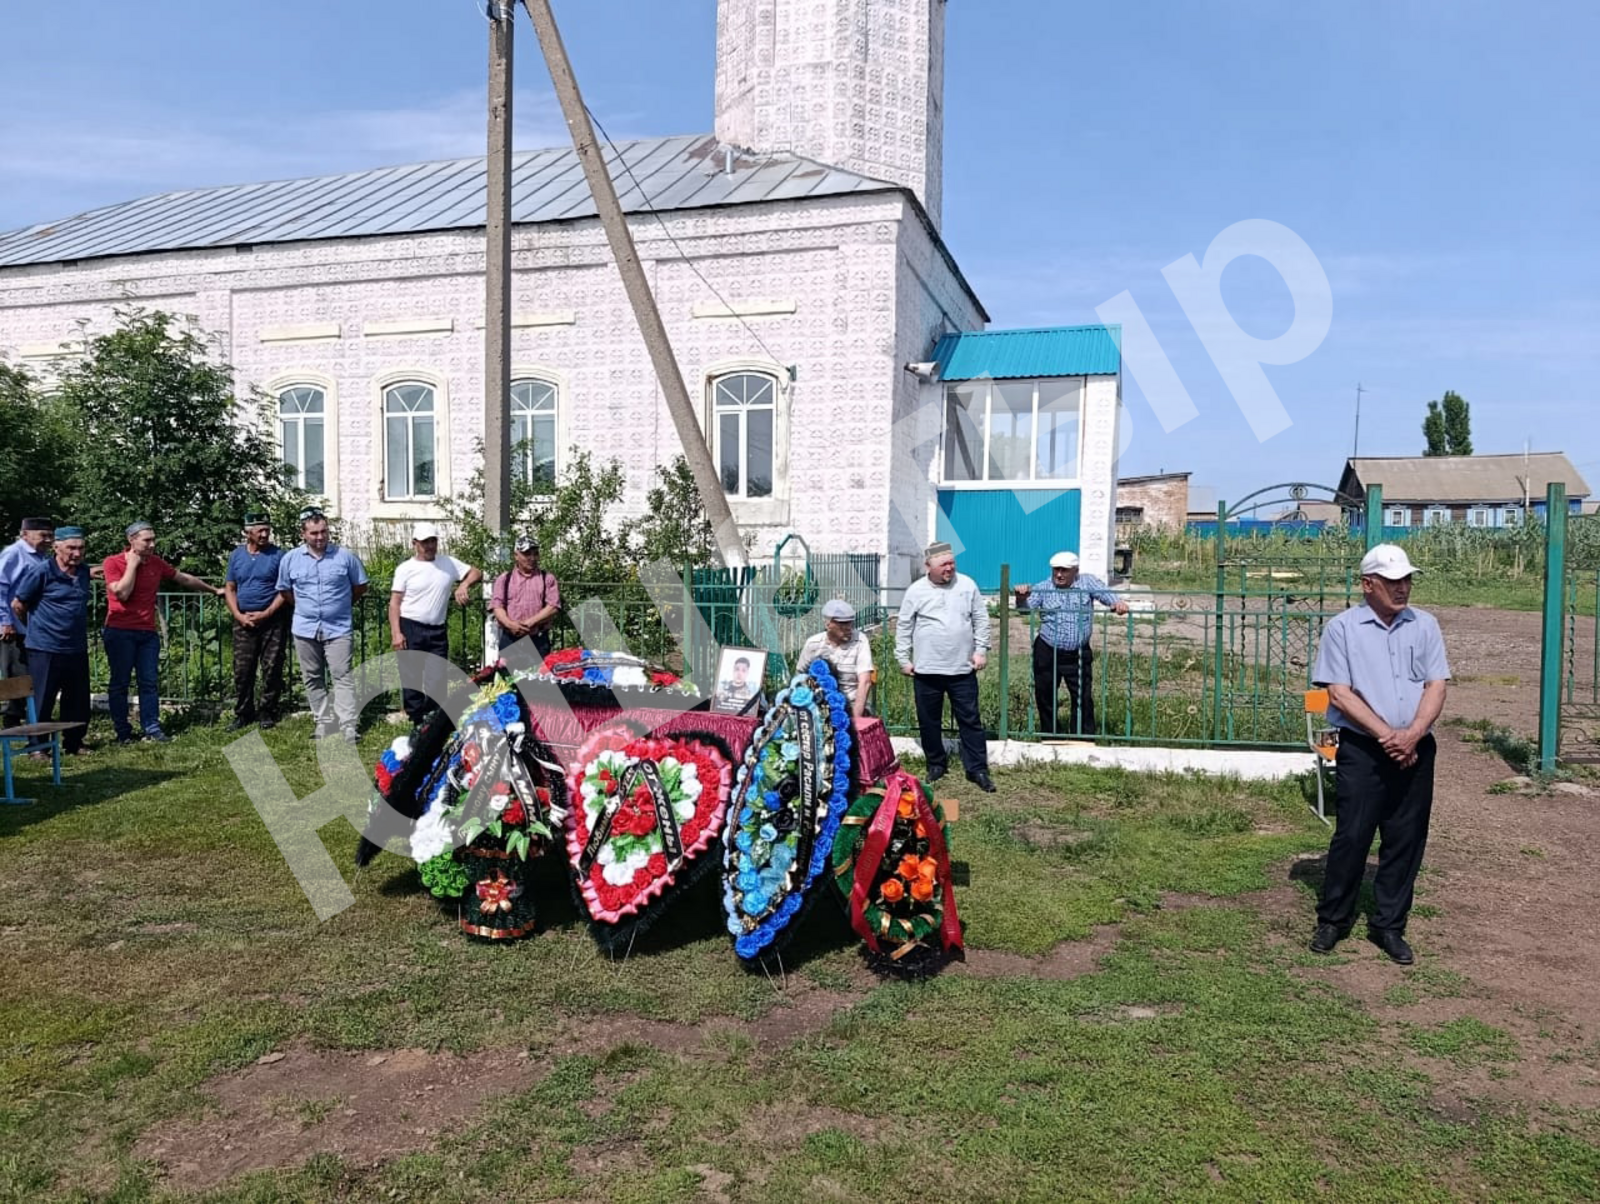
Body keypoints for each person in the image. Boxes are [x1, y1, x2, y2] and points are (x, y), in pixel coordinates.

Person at [1308, 544, 1450, 966]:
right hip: (1364, 748)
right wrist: (1389, 736)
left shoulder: (1425, 625)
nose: (1402, 588)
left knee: (1406, 837)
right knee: (1353, 834)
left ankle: (1389, 925)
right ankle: (1334, 918)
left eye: (1406, 579)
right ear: (1368, 584)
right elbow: (1338, 693)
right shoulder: (1343, 629)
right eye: (1392, 581)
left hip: (1415, 747)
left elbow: (1436, 684)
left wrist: (1413, 734)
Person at [103, 521, 224, 745]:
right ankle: (123, 732)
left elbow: (182, 578)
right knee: (120, 683)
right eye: (147, 540)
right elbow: (122, 594)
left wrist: (214, 590)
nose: (152, 544)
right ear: (131, 541)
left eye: (153, 539)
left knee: (149, 682)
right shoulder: (113, 562)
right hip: (120, 632)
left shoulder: (156, 563)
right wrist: (132, 565)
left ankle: (152, 728)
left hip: (147, 633)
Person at [894, 541, 994, 792]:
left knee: (970, 720)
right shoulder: (916, 591)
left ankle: (977, 769)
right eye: (944, 565)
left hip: (962, 668)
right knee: (929, 721)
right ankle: (936, 764)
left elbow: (981, 619)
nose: (949, 568)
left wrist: (981, 650)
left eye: (952, 563)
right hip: (927, 669)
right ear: (928, 566)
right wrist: (903, 659)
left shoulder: (967, 585)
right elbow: (904, 625)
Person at [276, 508, 369, 743]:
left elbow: (360, 586)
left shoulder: (345, 557)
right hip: (305, 628)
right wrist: (303, 607)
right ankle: (323, 721)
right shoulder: (290, 559)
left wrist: (341, 605)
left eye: (324, 532)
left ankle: (348, 726)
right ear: (303, 534)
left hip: (338, 628)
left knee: (342, 675)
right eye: (314, 533)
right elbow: (285, 590)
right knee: (312, 676)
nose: (320, 537)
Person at [1014, 551, 1129, 736]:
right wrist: (1021, 598)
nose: (1059, 574)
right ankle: (1051, 736)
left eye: (1064, 570)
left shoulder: (1087, 582)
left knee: (1083, 697)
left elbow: (1107, 595)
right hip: (1048, 650)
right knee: (1045, 696)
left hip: (1078, 653)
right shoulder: (1044, 587)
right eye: (1056, 570)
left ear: (1075, 570)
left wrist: (1117, 603)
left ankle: (1082, 738)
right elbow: (1025, 611)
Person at [389, 522, 482, 728]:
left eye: (433, 541)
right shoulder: (405, 569)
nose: (430, 546)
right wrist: (396, 633)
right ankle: (416, 719)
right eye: (425, 542)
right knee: (411, 676)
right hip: (411, 625)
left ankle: (432, 717)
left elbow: (476, 572)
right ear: (415, 543)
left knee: (437, 677)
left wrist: (464, 585)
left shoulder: (448, 563)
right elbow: (395, 603)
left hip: (437, 628)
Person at [9, 526, 92, 756]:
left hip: (75, 646)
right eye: (71, 548)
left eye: (81, 548)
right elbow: (18, 604)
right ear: (56, 547)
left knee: (77, 699)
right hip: (44, 647)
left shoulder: (84, 572)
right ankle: (37, 746)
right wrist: (35, 628)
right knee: (42, 698)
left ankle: (74, 742)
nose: (77, 553)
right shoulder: (41, 571)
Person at [224, 512, 290, 731]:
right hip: (244, 620)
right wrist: (238, 615)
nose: (264, 534)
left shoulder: (278, 555)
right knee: (243, 669)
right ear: (247, 532)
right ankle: (243, 713)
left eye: (267, 530)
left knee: (272, 667)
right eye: (260, 530)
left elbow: (284, 590)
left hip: (272, 620)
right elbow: (230, 588)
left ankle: (267, 711)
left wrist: (267, 613)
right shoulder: (236, 556)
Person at [0, 518, 54, 730]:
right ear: (25, 534)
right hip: (13, 626)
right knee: (16, 672)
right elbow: (1, 587)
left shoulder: (41, 557)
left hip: (32, 626)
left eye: (50, 536)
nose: (48, 540)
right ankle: (12, 718)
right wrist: (5, 621)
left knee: (29, 672)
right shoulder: (14, 554)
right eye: (43, 535)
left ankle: (27, 714)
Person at [797, 599, 874, 719]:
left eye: (850, 623)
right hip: (819, 707)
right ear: (828, 624)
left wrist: (855, 719)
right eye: (842, 624)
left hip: (852, 705)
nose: (848, 628)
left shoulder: (860, 641)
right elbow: (800, 677)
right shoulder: (813, 644)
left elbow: (865, 682)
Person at [490, 535, 561, 660]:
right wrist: (510, 624)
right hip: (510, 639)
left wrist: (530, 623)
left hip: (538, 639)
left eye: (535, 554)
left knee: (538, 673)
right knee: (508, 672)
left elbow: (553, 606)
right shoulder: (504, 579)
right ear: (516, 555)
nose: (532, 558)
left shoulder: (547, 578)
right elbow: (497, 606)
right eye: (527, 554)